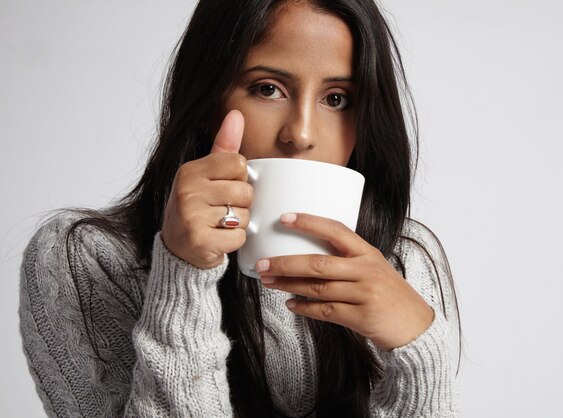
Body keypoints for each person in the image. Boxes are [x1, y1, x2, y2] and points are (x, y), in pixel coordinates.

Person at [19, 0, 461, 416]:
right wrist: (183, 274)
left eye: (337, 98)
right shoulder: (86, 257)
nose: (301, 133)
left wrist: (422, 353)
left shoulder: (405, 258)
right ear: (208, 98)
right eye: (267, 89)